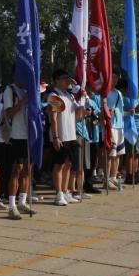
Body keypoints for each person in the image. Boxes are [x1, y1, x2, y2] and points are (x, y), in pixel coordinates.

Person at [48, 70, 86, 206]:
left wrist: (82, 99)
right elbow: (53, 118)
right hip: (61, 136)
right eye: (64, 78)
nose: (67, 81)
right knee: (59, 165)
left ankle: (65, 191)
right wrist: (56, 137)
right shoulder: (54, 95)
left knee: (69, 165)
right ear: (56, 80)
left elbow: (78, 115)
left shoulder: (69, 96)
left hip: (71, 135)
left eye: (68, 78)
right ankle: (58, 194)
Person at [3, 81, 33, 219]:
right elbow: (8, 114)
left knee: (27, 170)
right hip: (17, 135)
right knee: (16, 170)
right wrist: (22, 102)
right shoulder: (10, 90)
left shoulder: (29, 88)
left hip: (30, 135)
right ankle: (11, 206)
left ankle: (22, 202)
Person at [105, 74, 125, 189]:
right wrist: (108, 111)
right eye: (113, 77)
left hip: (119, 126)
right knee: (110, 154)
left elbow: (121, 110)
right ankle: (106, 179)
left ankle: (113, 177)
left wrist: (130, 112)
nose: (116, 79)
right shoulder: (105, 93)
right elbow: (102, 107)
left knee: (118, 154)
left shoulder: (119, 93)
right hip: (111, 126)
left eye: (117, 77)